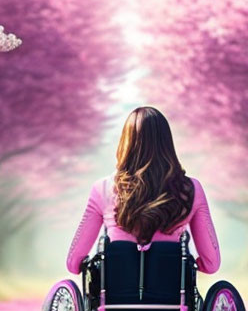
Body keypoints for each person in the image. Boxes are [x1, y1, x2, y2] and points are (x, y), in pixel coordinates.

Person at [66, 105, 220, 276]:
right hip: (171, 294)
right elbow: (211, 264)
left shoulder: (102, 189)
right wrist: (188, 264)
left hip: (116, 295)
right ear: (167, 143)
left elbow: (73, 263)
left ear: (126, 142)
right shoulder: (191, 189)